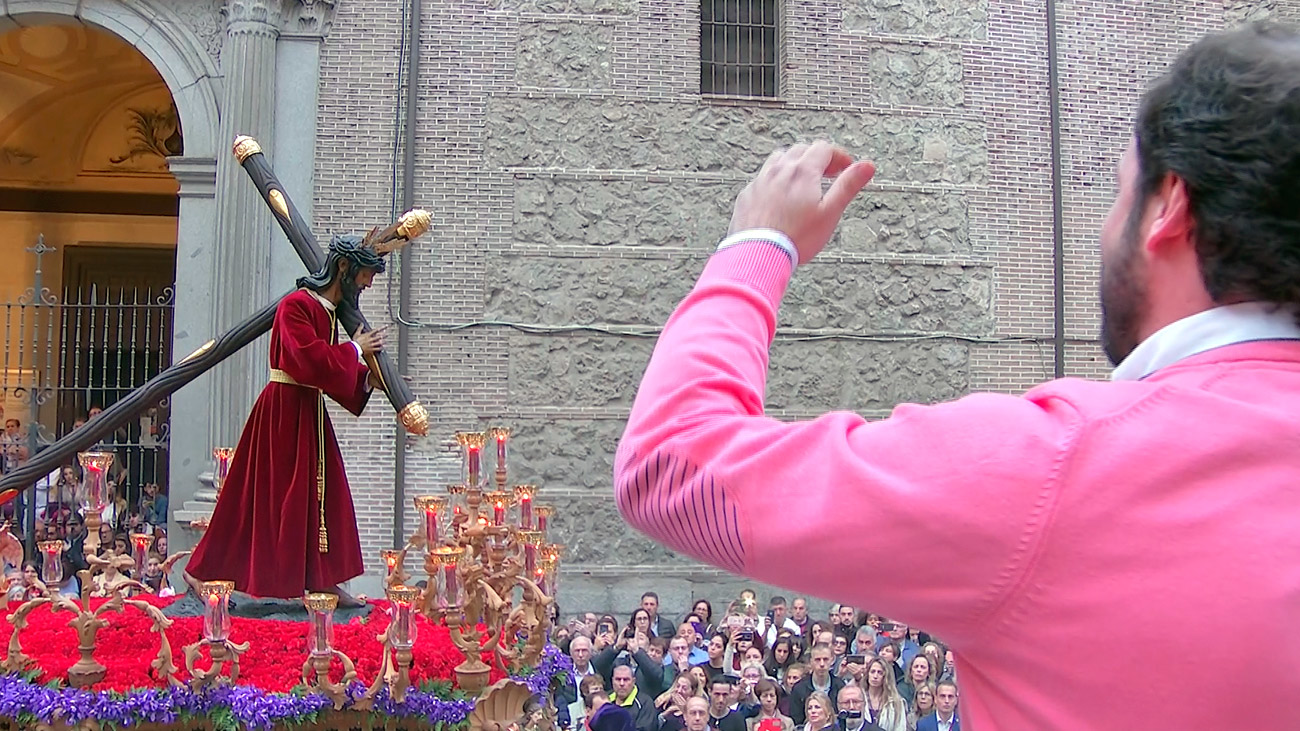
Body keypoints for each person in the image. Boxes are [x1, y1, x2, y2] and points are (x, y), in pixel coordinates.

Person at [613, 22, 1300, 730]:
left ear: (1169, 209)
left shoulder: (1053, 470)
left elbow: (672, 464)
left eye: (1119, 191)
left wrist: (756, 244)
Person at [184, 234, 393, 606]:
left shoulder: (327, 312)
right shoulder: (295, 306)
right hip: (282, 413)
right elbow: (307, 361)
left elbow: (325, 371)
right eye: (365, 274)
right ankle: (201, 571)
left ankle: (322, 580)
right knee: (255, 500)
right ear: (343, 268)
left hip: (307, 412)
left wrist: (364, 378)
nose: (368, 284)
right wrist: (356, 349)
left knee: (321, 497)